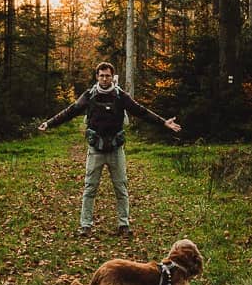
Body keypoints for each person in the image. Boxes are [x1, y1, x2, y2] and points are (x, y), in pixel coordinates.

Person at [38, 61, 181, 237]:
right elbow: (71, 111)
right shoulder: (89, 95)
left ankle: (124, 225)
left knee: (121, 188)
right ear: (97, 76)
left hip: (116, 150)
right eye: (101, 75)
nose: (104, 78)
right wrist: (49, 123)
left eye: (107, 75)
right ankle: (85, 226)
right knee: (90, 188)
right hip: (95, 150)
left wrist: (163, 122)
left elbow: (141, 111)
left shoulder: (121, 96)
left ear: (113, 77)